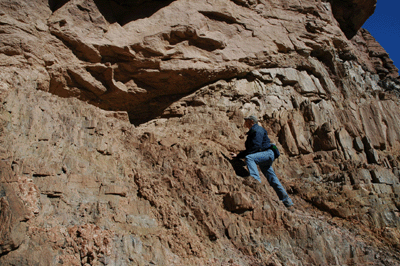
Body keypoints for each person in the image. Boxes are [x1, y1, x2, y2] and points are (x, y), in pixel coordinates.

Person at [231, 115, 294, 209]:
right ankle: (288, 203)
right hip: (265, 156)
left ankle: (255, 183)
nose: (245, 122)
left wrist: (240, 155)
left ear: (251, 121)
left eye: (246, 120)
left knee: (249, 158)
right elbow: (253, 148)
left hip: (267, 154)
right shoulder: (254, 130)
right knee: (273, 180)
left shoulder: (257, 130)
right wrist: (239, 155)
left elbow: (256, 146)